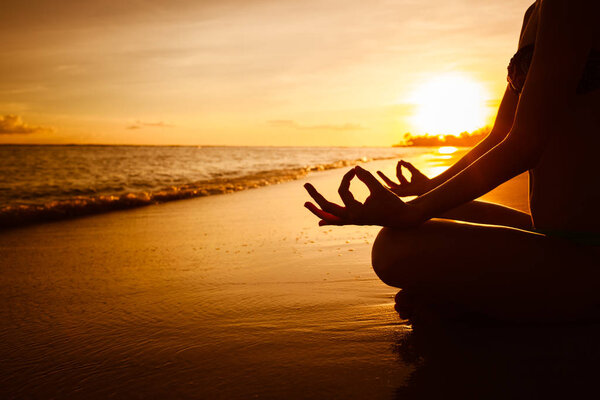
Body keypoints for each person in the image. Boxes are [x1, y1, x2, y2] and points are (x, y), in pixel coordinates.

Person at [304, 0, 600, 323]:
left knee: (391, 249)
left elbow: (526, 144)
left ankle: (479, 304)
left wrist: (411, 211)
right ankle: (480, 296)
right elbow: (501, 135)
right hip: (548, 233)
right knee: (433, 211)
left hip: (588, 248)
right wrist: (430, 187)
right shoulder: (534, 12)